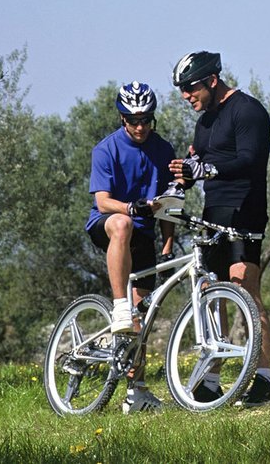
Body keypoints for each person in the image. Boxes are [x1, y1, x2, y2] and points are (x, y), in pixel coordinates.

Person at [168, 50, 270, 407]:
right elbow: (200, 161)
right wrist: (180, 178)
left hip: (245, 209)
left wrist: (205, 170)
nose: (186, 96)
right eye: (182, 90)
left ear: (212, 81)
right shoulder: (204, 121)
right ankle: (212, 380)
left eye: (190, 88)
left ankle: (263, 380)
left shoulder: (248, 111)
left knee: (245, 287)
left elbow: (250, 159)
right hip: (213, 210)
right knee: (213, 294)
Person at [85, 81, 176, 414]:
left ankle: (136, 392)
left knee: (144, 318)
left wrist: (167, 245)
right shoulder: (105, 149)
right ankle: (118, 304)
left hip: (144, 234)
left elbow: (168, 203)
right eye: (132, 120)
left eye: (146, 120)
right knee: (122, 225)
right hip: (109, 224)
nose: (139, 127)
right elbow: (103, 201)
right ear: (122, 118)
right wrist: (131, 209)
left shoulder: (164, 149)